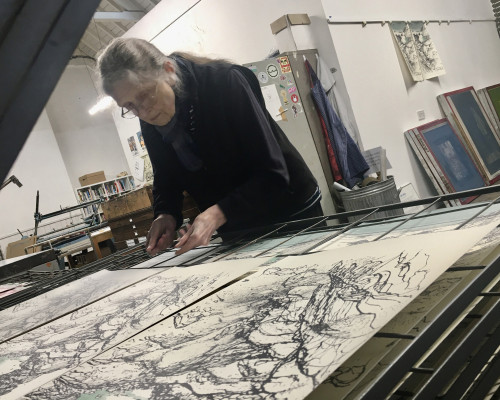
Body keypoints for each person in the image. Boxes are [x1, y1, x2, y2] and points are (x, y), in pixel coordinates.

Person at [97, 38, 323, 256]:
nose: (143, 111)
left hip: (289, 210)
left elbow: (273, 174)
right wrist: (165, 214)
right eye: (130, 106)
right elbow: (165, 175)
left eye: (146, 94)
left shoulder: (223, 82)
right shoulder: (149, 116)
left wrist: (218, 213)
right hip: (238, 224)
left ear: (168, 71)